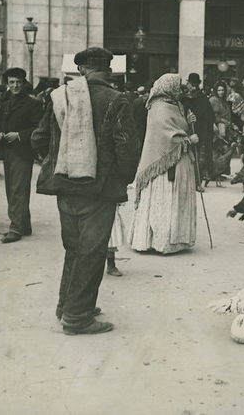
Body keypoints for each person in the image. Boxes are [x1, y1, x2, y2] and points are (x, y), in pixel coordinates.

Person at [31, 47, 141, 335]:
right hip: (98, 189)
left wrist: (58, 165)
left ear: (81, 69)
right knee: (91, 253)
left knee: (74, 249)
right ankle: (77, 317)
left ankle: (66, 306)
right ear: (110, 70)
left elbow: (39, 138)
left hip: (64, 185)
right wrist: (122, 179)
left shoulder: (60, 95)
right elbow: (127, 148)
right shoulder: (117, 99)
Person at [129, 73, 199, 255]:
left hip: (179, 161)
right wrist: (189, 140)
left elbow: (179, 127)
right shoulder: (159, 108)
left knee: (174, 199)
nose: (181, 89)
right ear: (169, 87)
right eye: (177, 86)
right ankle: (159, 241)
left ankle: (176, 239)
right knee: (163, 199)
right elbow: (169, 138)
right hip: (164, 166)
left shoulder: (176, 106)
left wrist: (190, 123)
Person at [0, 68, 44, 243]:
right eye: (11, 82)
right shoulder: (4, 105)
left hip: (23, 152)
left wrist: (20, 135)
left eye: (18, 82)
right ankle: (24, 225)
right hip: (8, 152)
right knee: (11, 189)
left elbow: (39, 128)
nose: (15, 86)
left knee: (18, 190)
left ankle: (15, 228)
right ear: (7, 84)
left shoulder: (33, 104)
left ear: (24, 84)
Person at [182, 73, 215, 189]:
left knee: (197, 156)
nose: (188, 86)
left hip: (200, 131)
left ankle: (197, 182)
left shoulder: (203, 99)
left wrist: (197, 118)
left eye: (190, 84)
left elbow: (210, 116)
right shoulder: (184, 97)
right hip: (186, 130)